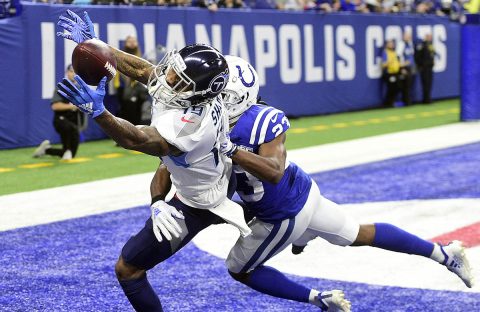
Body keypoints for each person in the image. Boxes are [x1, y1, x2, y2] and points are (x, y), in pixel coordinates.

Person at [56, 10, 346, 312]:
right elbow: (145, 72)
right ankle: (294, 228)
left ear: (199, 93)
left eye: (176, 79)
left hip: (199, 201)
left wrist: (101, 113)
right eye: (173, 71)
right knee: (172, 164)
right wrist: (96, 44)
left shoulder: (192, 124)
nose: (166, 78)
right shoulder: (192, 92)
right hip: (212, 173)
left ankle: (297, 228)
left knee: (127, 269)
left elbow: (138, 140)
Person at [217, 56, 473, 304]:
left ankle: (320, 299)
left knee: (239, 269)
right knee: (358, 233)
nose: (212, 100)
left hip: (282, 212)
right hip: (303, 192)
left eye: (219, 94)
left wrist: (230, 150)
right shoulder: (221, 123)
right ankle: (444, 254)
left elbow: (274, 172)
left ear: (239, 97)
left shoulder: (262, 120)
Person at [33, 64, 85, 160]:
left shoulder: (80, 88)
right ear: (67, 73)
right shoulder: (61, 87)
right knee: (70, 128)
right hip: (61, 120)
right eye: (71, 71)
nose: (74, 74)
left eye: (76, 72)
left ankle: (46, 150)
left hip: (74, 122)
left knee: (71, 154)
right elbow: (55, 106)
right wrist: (71, 106)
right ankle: (67, 151)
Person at [415, 33, 435, 104]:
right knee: (425, 83)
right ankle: (425, 99)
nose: (430, 38)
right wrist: (420, 65)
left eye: (430, 37)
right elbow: (417, 56)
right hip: (424, 68)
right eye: (428, 37)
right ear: (425, 37)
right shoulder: (421, 45)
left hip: (430, 67)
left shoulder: (430, 45)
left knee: (429, 83)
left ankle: (428, 98)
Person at [381, 39, 401, 107]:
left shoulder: (394, 52)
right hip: (389, 73)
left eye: (392, 43)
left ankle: (392, 102)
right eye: (390, 43)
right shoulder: (385, 52)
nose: (392, 45)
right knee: (391, 88)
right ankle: (388, 103)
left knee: (397, 87)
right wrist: (388, 63)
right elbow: (383, 64)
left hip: (396, 72)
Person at [400, 31, 415, 106]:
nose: (408, 38)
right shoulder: (401, 44)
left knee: (410, 85)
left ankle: (409, 100)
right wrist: (402, 67)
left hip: (411, 67)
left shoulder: (410, 44)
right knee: (406, 85)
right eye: (406, 36)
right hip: (404, 67)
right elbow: (399, 56)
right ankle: (406, 101)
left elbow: (411, 56)